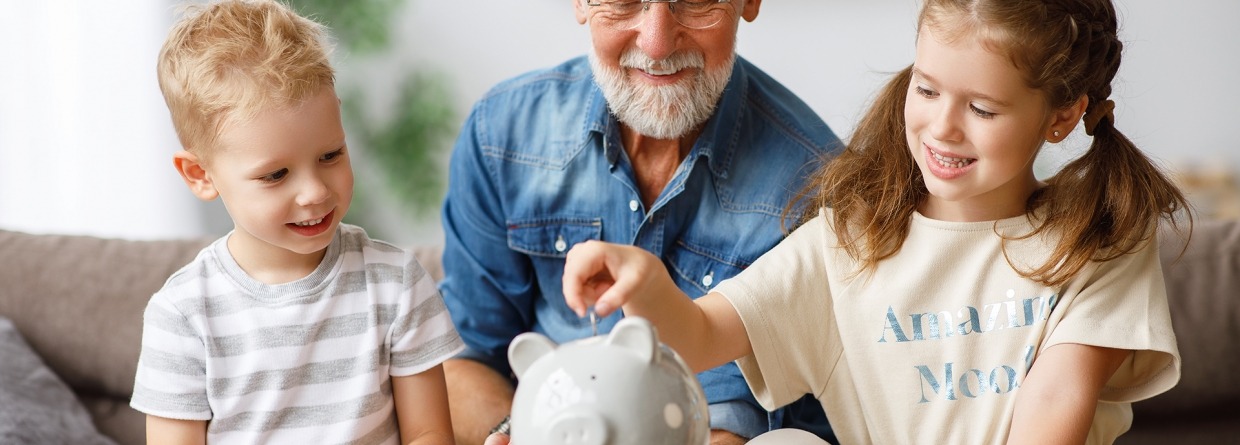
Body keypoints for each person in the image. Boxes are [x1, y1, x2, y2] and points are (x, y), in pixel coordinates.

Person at [561, 0, 1192, 443]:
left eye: (981, 107)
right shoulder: (849, 242)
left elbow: (1057, 399)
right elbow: (699, 336)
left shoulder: (1098, 240)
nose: (943, 127)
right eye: (926, 89)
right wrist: (645, 286)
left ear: (1060, 115)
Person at [440, 1, 840, 444]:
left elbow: (820, 417)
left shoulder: (822, 188)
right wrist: (516, 430)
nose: (657, 43)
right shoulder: (501, 135)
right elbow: (463, 355)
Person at [130, 1, 463, 443]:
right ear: (201, 175)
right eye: (276, 175)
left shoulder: (396, 283)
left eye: (331, 155)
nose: (316, 192)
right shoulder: (183, 315)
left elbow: (428, 434)